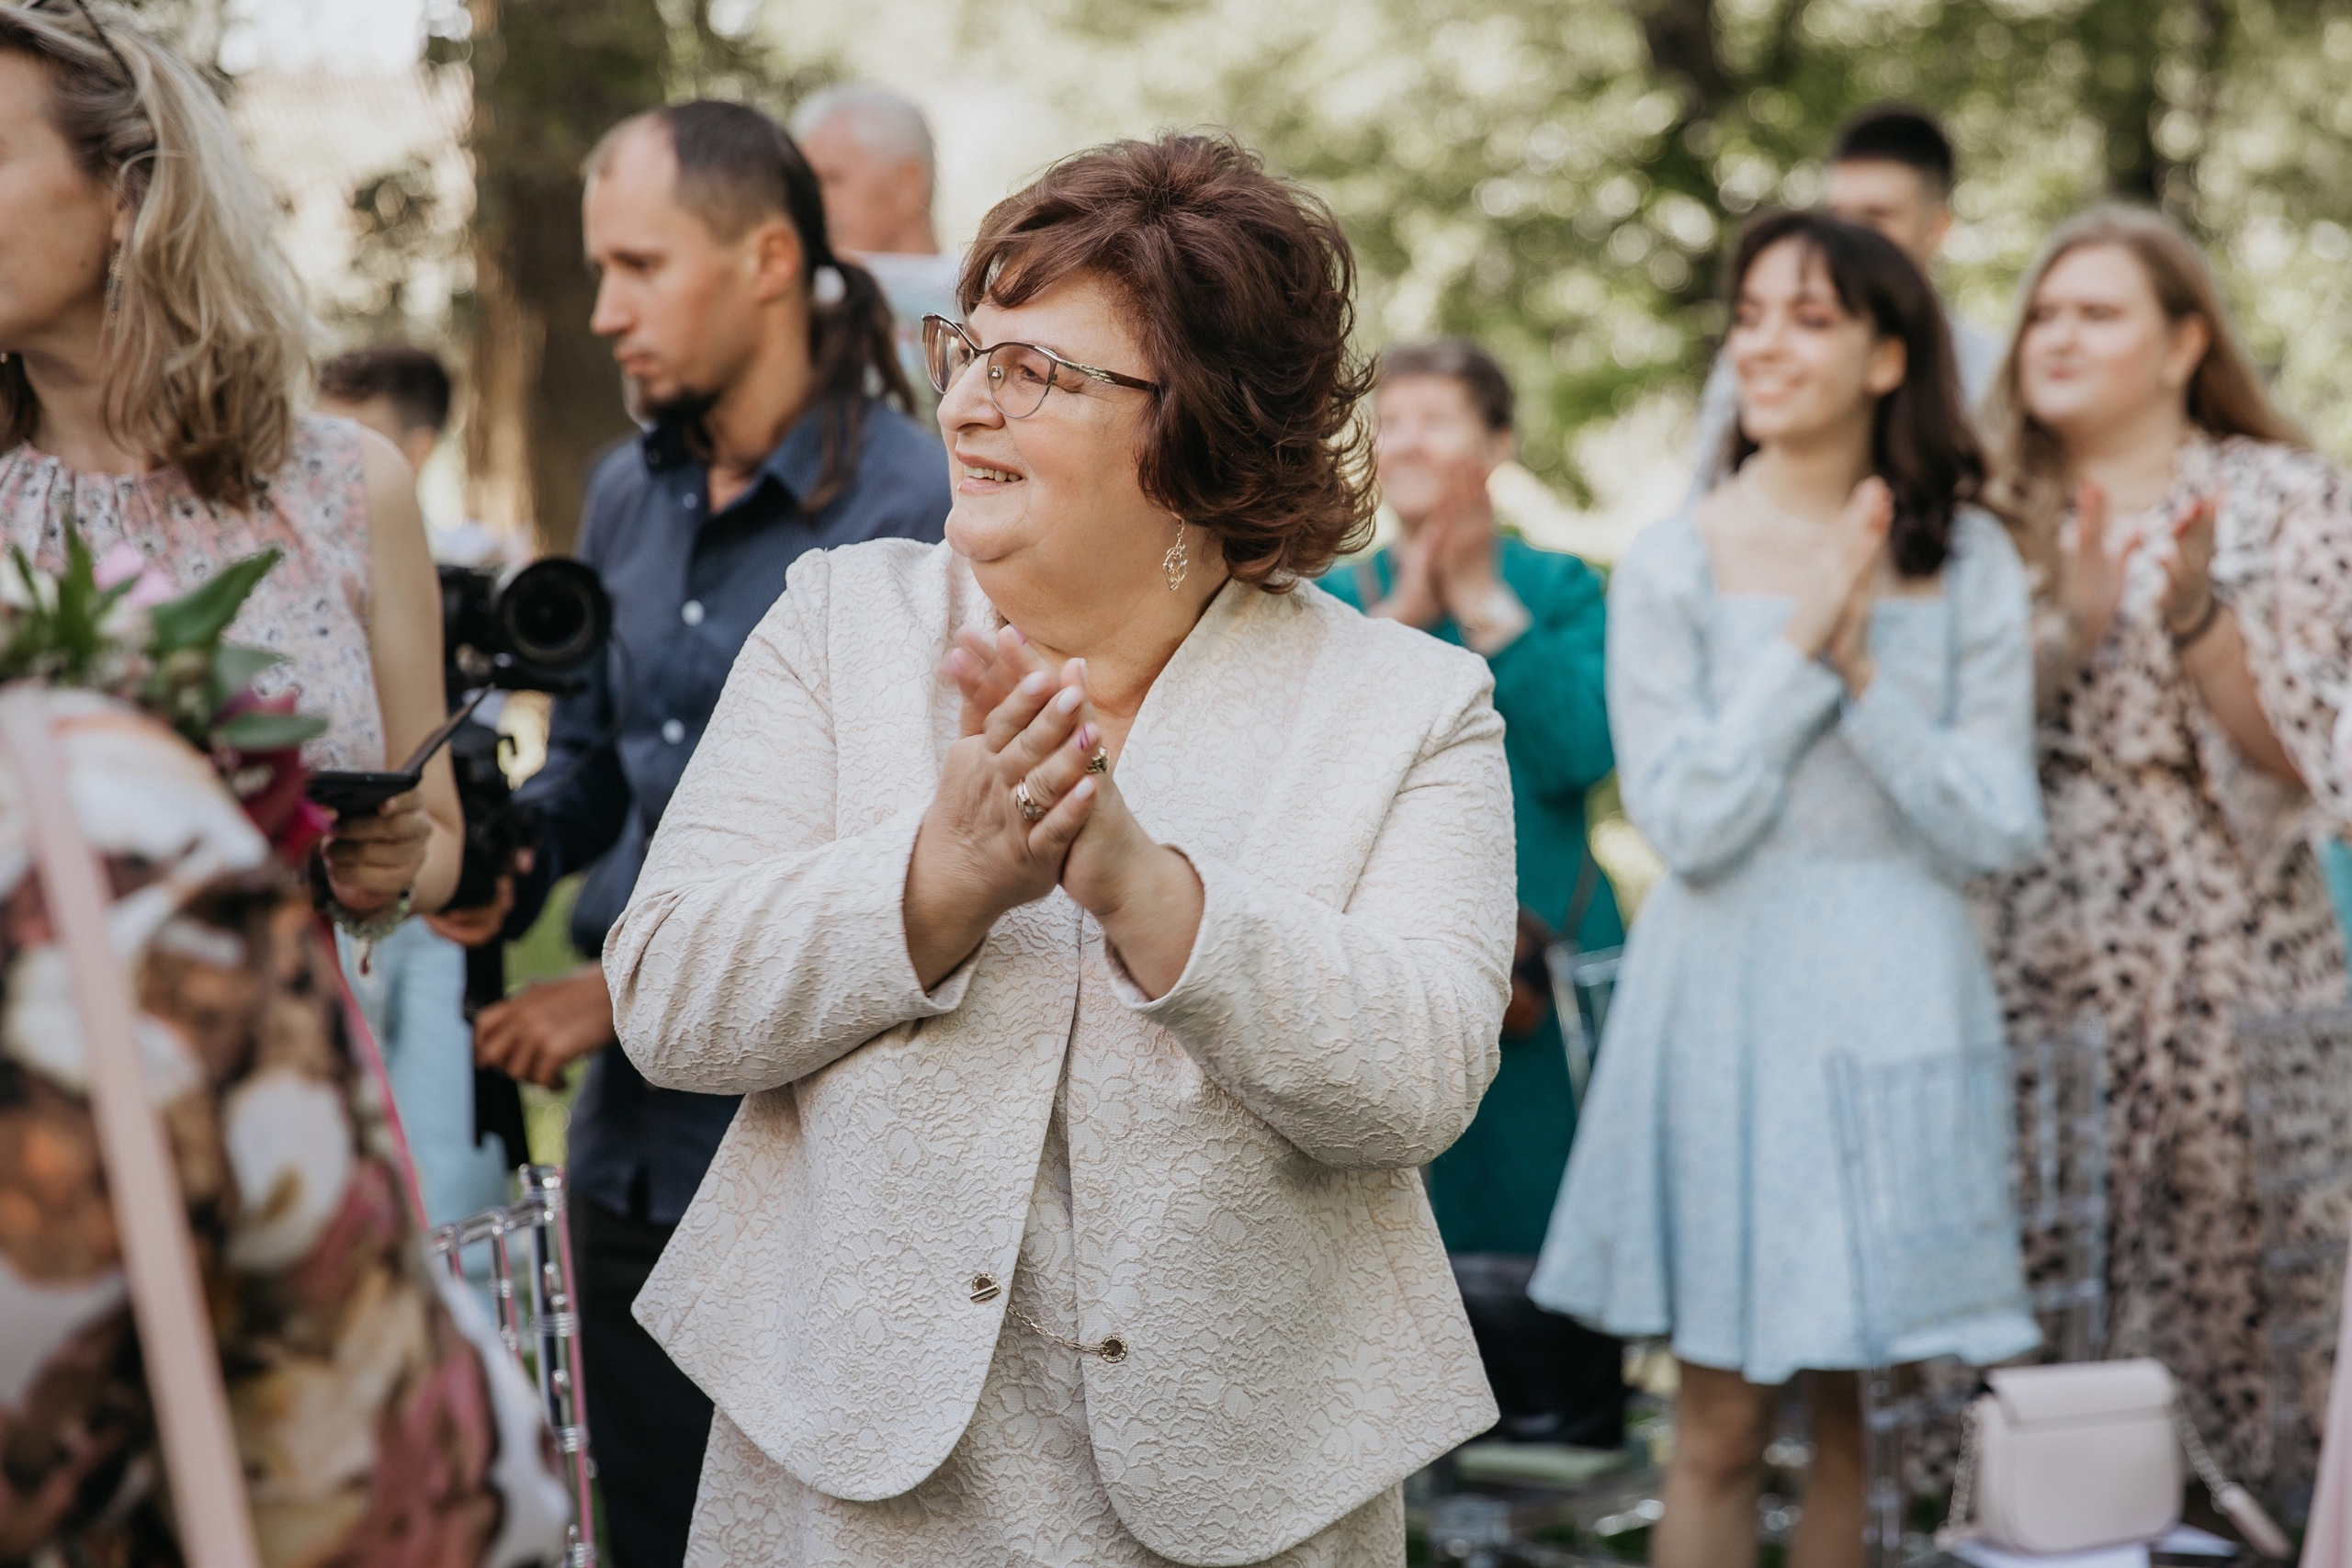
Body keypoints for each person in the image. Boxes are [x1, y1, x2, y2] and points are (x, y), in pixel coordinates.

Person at [604, 132, 1511, 1564]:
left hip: (1242, 1504)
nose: (964, 402)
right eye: (969, 347)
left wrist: (1157, 898)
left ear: (1196, 427)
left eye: (1035, 371)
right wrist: (934, 884)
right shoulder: (844, 625)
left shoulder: (1408, 705)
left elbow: (1425, 1073)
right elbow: (665, 993)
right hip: (849, 1490)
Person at [431, 100, 952, 1568]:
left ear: (770, 257)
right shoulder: (622, 488)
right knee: (648, 1529)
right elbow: (595, 768)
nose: (603, 312)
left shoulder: (927, 503)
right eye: (600, 269)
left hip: (828, 1145)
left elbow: (917, 850)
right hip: (628, 1157)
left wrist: (614, 993)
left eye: (641, 266)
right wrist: (496, 859)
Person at [1532, 210, 2044, 1568]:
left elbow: (1996, 822)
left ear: (1888, 355)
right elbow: (1686, 820)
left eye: (1809, 317)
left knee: (1858, 1420)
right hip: (1728, 1007)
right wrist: (1806, 645)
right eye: (1751, 314)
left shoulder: (1974, 557)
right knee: (1712, 1421)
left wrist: (1866, 678)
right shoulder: (1670, 558)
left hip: (1899, 1000)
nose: (1766, 344)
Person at [1975, 203, 2352, 1483]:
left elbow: (2299, 748)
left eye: (2098, 311)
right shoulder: (1976, 504)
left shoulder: (2282, 497)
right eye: (2044, 310)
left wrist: (2196, 612)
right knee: (2054, 1278)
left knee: (2249, 1291)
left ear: (2186, 340)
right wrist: (2067, 627)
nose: (2057, 335)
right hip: (2032, 948)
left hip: (2233, 950)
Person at [0, 6, 463, 936]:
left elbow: (443, 836)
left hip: (276, 1056)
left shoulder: (350, 485)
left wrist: (390, 861)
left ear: (128, 196)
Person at [1319, 338, 1625, 1448]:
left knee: (1545, 1239)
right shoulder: (1322, 595)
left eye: (1437, 419)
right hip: (1381, 979)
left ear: (1496, 445)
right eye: (1388, 419)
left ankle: (1565, 1468)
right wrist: (1403, 609)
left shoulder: (1561, 588)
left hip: (1548, 989)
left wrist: (1487, 603)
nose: (1406, 440)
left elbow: (1580, 750)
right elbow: (1319, 776)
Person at [315, 344, 514, 1236]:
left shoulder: (480, 566)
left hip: (433, 892)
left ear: (417, 449)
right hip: (327, 880)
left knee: (455, 1185)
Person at [1688, 104, 2000, 497]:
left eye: (1875, 218)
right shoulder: (1761, 358)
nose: (1846, 241)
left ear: (1936, 229)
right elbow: (1704, 488)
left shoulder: (1993, 371)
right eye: (1836, 217)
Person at [792, 84, 959, 414]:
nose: (809, 203)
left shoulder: (993, 300)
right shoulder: (798, 293)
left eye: (831, 179)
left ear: (905, 184)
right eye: (806, 185)